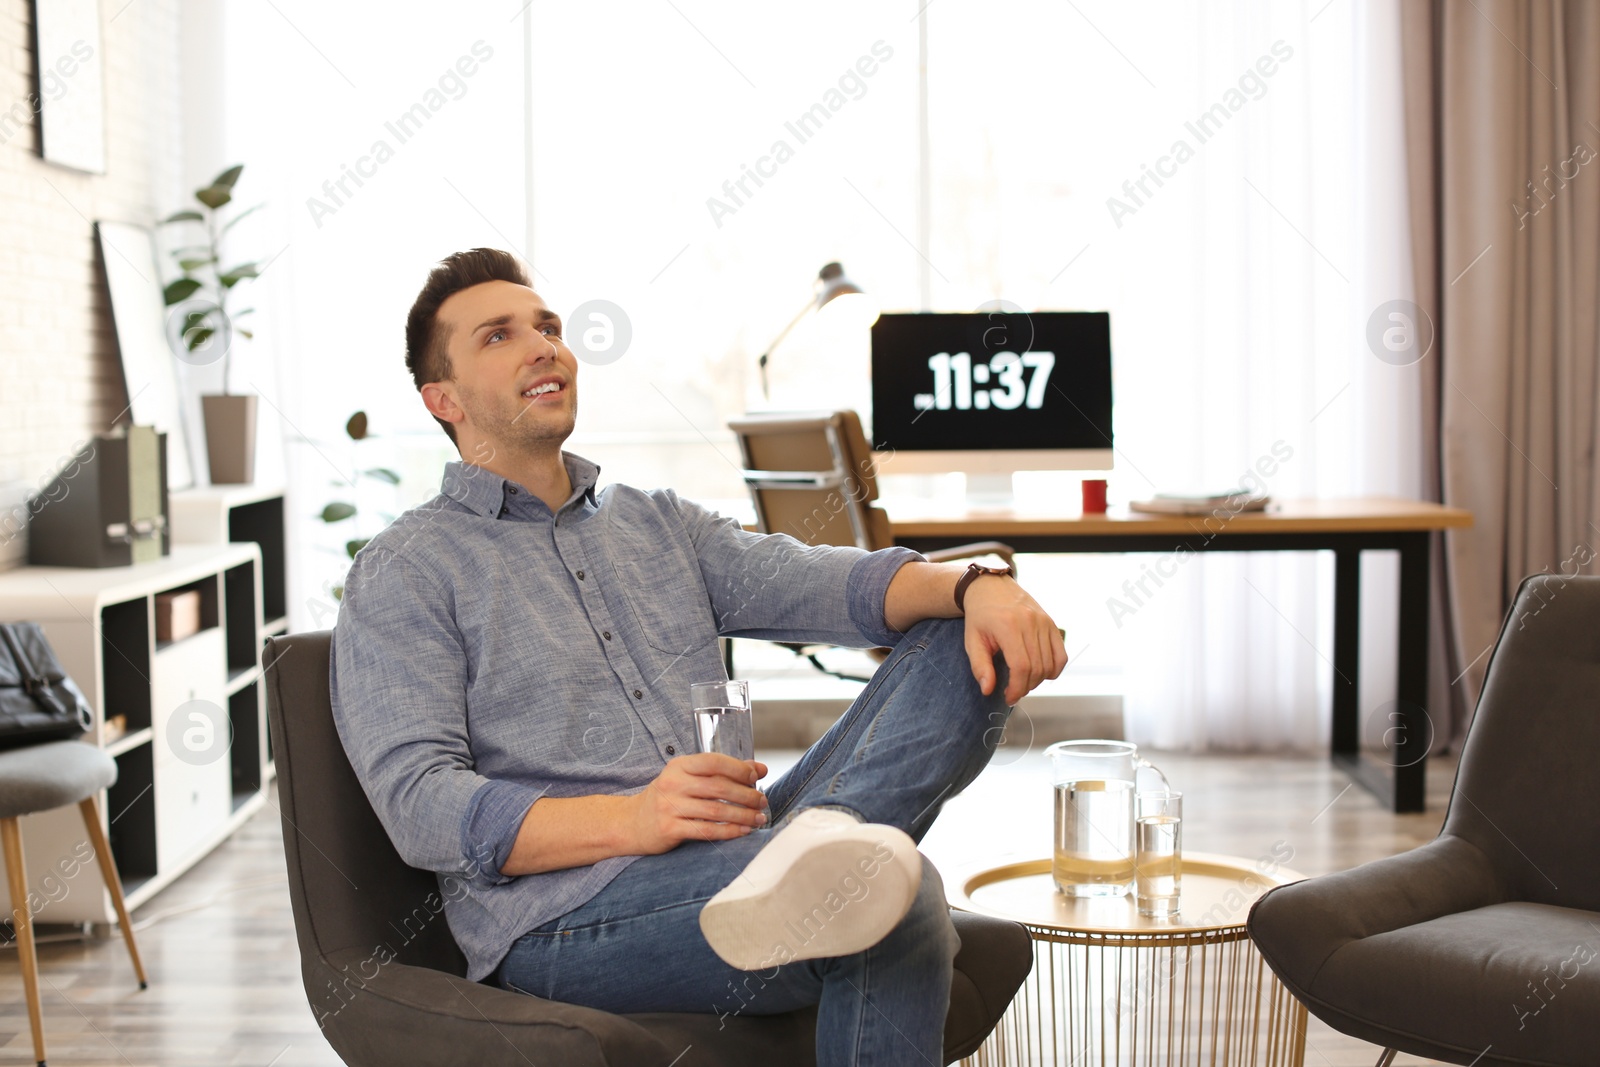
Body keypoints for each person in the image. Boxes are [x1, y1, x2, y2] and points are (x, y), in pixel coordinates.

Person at [330, 247, 1068, 1065]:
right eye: (498, 336)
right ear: (444, 398)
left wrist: (976, 584)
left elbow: (825, 584)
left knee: (951, 647)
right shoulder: (405, 568)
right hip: (569, 918)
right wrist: (636, 816)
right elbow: (420, 803)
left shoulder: (658, 521)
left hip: (735, 848)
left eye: (548, 326)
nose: (544, 345)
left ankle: (813, 853)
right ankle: (820, 862)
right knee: (897, 894)